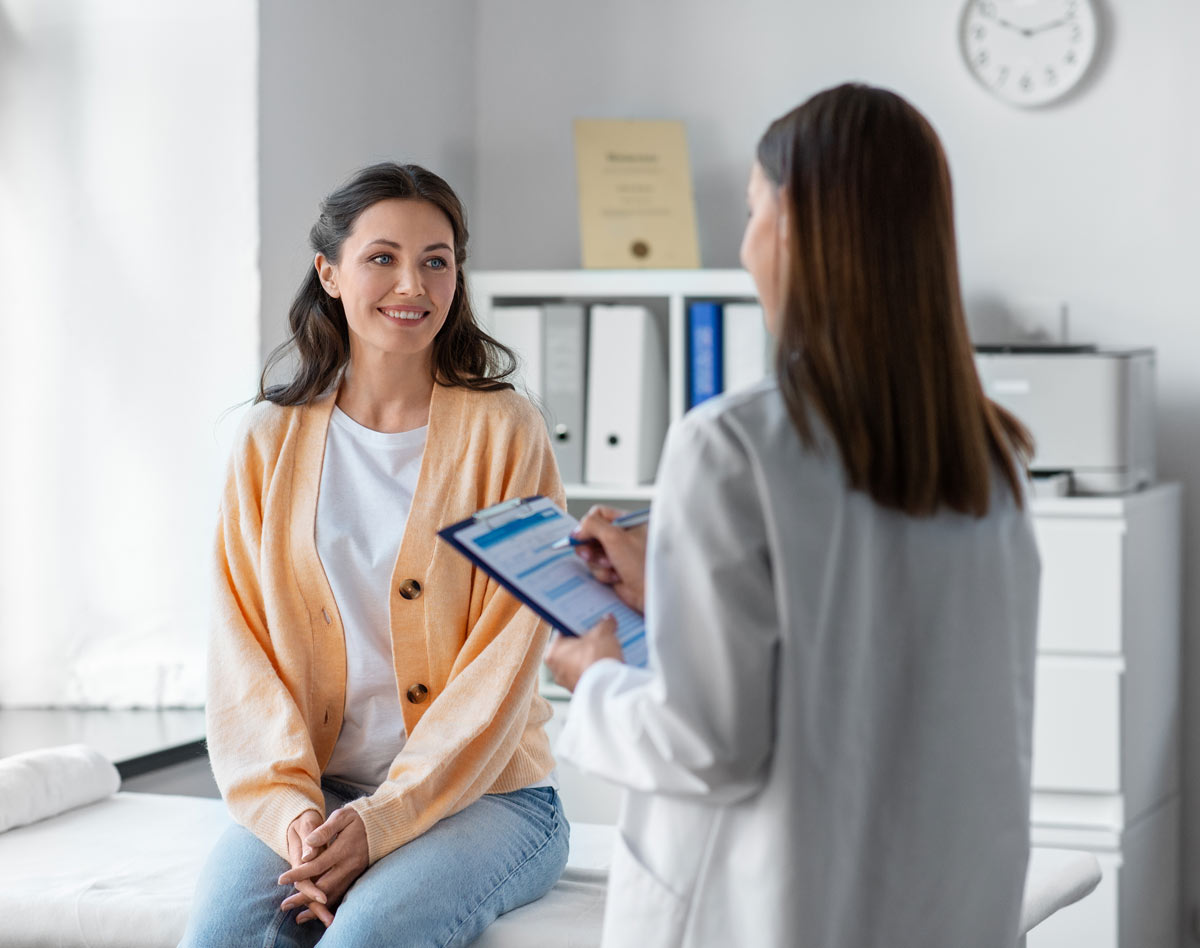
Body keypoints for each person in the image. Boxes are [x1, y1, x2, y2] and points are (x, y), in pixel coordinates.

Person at [546, 83, 1040, 948]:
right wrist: (672, 598)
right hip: (941, 910)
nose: (744, 248)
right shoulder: (988, 457)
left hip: (775, 911)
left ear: (798, 221)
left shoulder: (731, 445)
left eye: (751, 211)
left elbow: (707, 744)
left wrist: (594, 678)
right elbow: (867, 656)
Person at [181, 162, 568, 948]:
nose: (412, 284)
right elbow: (240, 652)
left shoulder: (508, 432)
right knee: (224, 936)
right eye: (382, 257)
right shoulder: (267, 440)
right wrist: (296, 818)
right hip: (313, 795)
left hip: (489, 798)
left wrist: (384, 820)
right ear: (329, 272)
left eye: (437, 259)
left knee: (366, 938)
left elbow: (509, 656)